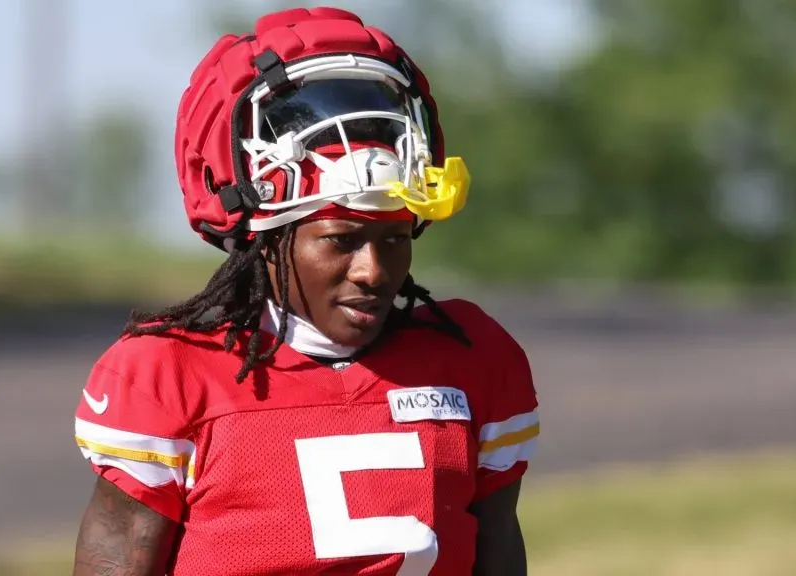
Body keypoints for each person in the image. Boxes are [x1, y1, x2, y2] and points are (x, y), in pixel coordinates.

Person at [70, 6, 539, 575]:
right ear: (270, 240)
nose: (372, 270)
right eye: (341, 239)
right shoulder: (172, 374)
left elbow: (498, 552)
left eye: (393, 239)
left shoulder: (471, 359)